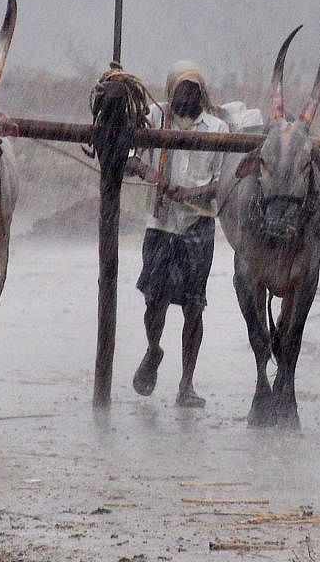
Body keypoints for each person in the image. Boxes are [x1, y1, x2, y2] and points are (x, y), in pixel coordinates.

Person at [124, 60, 229, 408]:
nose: (188, 95)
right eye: (182, 89)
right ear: (171, 91)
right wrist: (149, 172)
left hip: (197, 226)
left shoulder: (216, 128)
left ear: (201, 93)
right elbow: (129, 156)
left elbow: (225, 181)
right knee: (154, 300)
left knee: (194, 307)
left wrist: (194, 193)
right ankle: (153, 350)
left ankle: (186, 383)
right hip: (161, 225)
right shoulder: (154, 119)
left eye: (193, 89)